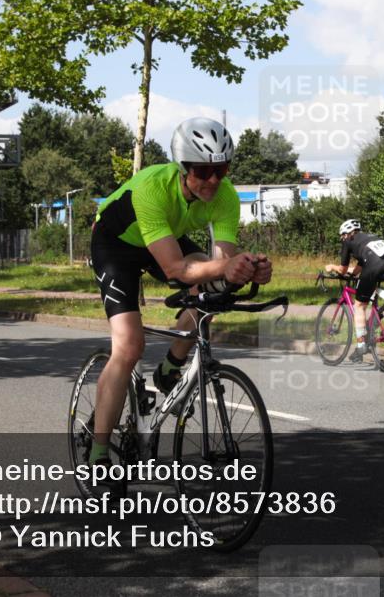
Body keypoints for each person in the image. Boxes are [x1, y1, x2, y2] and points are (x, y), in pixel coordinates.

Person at [88, 117, 272, 469]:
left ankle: (170, 367)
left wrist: (248, 270)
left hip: (163, 237)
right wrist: (225, 268)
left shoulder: (225, 196)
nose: (214, 180)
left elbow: (221, 263)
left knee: (213, 289)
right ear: (182, 167)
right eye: (203, 172)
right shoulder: (153, 188)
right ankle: (98, 454)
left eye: (221, 169)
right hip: (116, 245)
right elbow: (175, 269)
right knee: (129, 347)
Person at [323, 219, 384, 361]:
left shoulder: (348, 241)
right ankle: (374, 321)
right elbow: (358, 268)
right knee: (369, 294)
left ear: (347, 233)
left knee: (359, 305)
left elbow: (342, 269)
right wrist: (351, 275)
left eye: (342, 235)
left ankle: (361, 344)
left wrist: (331, 267)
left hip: (374, 265)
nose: (342, 238)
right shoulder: (368, 238)